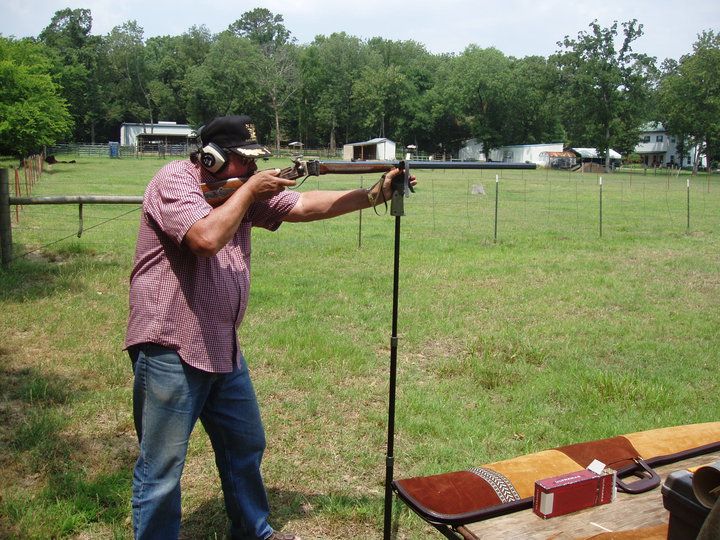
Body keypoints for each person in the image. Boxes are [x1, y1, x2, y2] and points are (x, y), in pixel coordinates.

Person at [125, 115, 414, 540]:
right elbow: (204, 240)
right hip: (171, 345)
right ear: (212, 157)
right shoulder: (175, 180)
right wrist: (247, 195)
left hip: (221, 343)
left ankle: (252, 530)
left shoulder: (241, 188)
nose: (253, 169)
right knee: (162, 467)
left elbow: (303, 205)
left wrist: (373, 194)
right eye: (245, 160)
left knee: (244, 444)